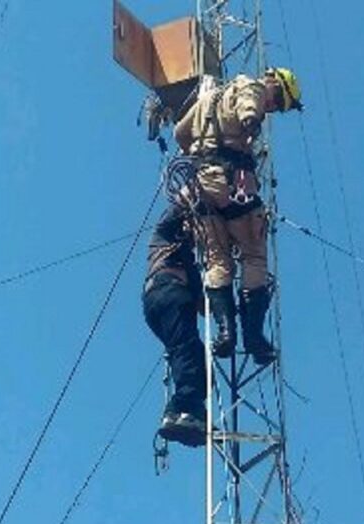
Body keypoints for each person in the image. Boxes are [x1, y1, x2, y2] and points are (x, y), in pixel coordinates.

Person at [173, 67, 303, 366]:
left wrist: (202, 148)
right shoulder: (252, 87)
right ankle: (253, 336)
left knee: (218, 260)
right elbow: (250, 105)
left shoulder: (208, 99)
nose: (275, 108)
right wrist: (250, 124)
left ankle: (225, 332)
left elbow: (181, 132)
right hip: (233, 181)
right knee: (254, 256)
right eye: (279, 100)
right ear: (274, 83)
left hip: (202, 188)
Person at [142, 201, 207, 447]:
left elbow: (202, 306)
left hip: (158, 301)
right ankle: (187, 410)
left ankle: (182, 412)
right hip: (167, 293)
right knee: (186, 349)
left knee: (194, 355)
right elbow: (178, 206)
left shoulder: (189, 261)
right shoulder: (164, 236)